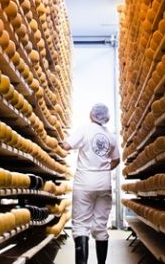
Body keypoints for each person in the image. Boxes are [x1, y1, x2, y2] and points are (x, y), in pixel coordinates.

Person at [62, 103, 121, 264]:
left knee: (81, 225)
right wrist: (102, 168)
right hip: (104, 182)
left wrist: (58, 139)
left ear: (91, 114)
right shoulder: (110, 136)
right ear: (106, 118)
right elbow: (116, 160)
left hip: (84, 182)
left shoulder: (84, 130)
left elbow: (66, 146)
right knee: (100, 226)